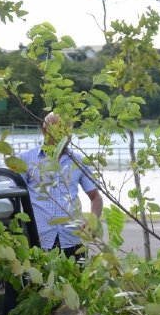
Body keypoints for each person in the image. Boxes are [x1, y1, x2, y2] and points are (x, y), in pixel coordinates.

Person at [19, 112, 103, 264]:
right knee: (41, 285)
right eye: (59, 130)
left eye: (68, 131)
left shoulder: (78, 161)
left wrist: (93, 221)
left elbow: (95, 197)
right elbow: (13, 198)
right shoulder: (25, 159)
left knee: (76, 285)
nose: (65, 135)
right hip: (38, 240)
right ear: (44, 131)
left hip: (73, 240)